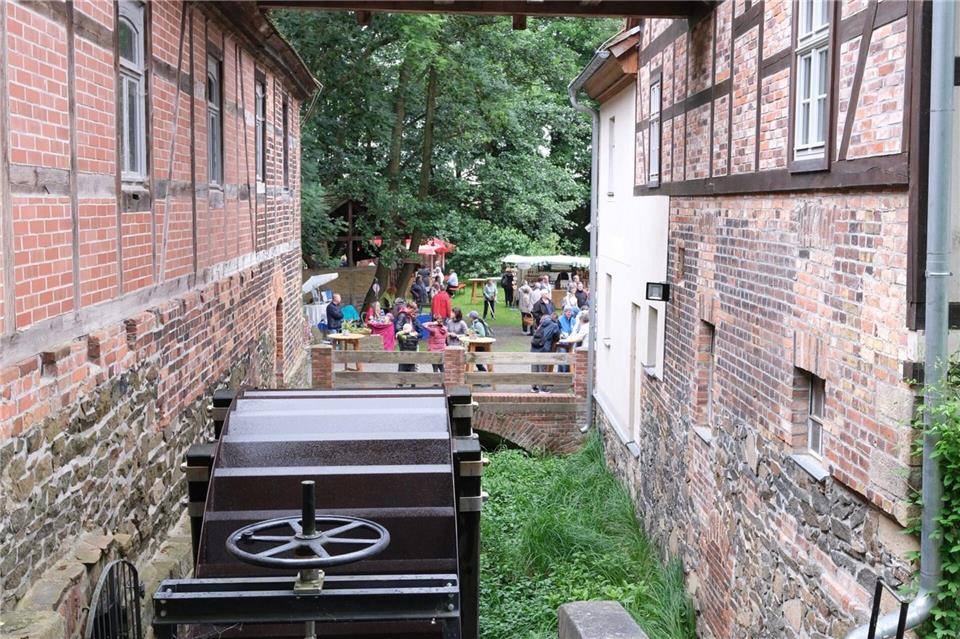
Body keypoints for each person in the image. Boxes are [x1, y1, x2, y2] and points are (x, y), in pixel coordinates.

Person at [530, 315, 560, 393]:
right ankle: (542, 389)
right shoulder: (554, 325)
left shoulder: (540, 324)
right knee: (542, 368)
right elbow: (557, 337)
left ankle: (534, 387)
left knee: (534, 368)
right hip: (543, 349)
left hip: (534, 348)